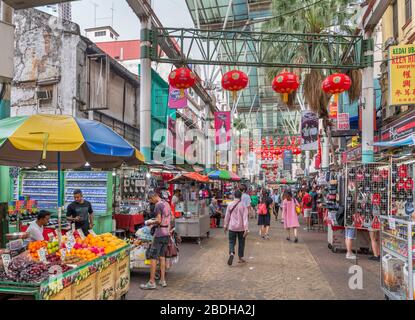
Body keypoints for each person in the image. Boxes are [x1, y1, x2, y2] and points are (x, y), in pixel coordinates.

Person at [141, 191, 172, 290]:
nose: (151, 202)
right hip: (167, 233)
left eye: (150, 200)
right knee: (162, 256)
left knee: (153, 257)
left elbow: (158, 220)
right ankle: (162, 280)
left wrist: (150, 222)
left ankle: (151, 282)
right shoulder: (166, 203)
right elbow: (171, 218)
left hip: (159, 234)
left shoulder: (158, 205)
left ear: (154, 197)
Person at [224, 190, 249, 266]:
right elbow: (245, 218)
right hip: (241, 228)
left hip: (232, 227)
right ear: (241, 196)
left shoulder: (230, 204)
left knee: (231, 242)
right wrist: (246, 228)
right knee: (241, 243)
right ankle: (240, 258)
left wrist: (225, 225)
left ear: (234, 196)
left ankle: (231, 252)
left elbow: (227, 216)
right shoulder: (243, 205)